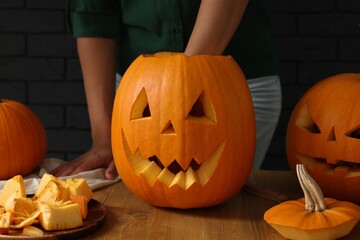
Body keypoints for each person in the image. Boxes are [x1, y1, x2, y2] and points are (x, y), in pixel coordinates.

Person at [51, 0, 282, 180]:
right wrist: (103, 138)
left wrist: (186, 93)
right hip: (138, 96)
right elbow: (93, 12)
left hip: (232, 86)